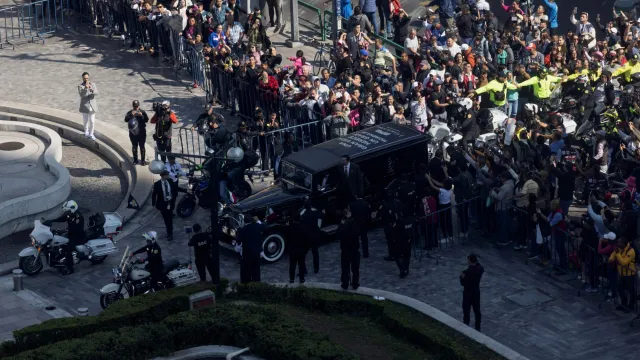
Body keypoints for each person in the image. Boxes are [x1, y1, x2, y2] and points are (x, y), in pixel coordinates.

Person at [47, 200, 84, 275]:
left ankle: (70, 268)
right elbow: (63, 218)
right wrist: (51, 221)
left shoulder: (78, 218)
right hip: (71, 234)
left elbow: (75, 230)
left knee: (68, 249)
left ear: (72, 210)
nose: (67, 213)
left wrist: (63, 231)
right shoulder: (70, 214)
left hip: (77, 236)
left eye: (68, 211)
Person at [609, 237, 636, 312]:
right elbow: (612, 256)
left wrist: (617, 254)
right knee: (620, 289)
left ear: (624, 243)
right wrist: (611, 258)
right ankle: (624, 304)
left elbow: (624, 262)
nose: (618, 244)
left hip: (630, 274)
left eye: (620, 242)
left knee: (630, 291)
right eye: (618, 242)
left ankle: (631, 306)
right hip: (621, 273)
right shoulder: (618, 249)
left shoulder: (631, 251)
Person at [236, 216, 265, 283]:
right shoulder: (258, 226)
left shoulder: (242, 230)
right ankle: (256, 284)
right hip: (256, 252)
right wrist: (257, 220)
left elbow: (238, 242)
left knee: (246, 272)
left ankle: (245, 285)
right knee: (256, 270)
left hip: (247, 254)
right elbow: (263, 226)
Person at [338, 206, 361, 290]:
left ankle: (345, 283)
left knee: (345, 268)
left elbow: (339, 233)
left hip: (345, 249)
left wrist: (342, 224)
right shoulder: (355, 223)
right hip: (354, 249)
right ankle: (355, 283)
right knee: (355, 268)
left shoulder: (343, 225)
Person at [460, 254, 484, 331]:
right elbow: (480, 267)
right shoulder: (480, 269)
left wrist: (461, 276)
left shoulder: (467, 272)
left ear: (470, 261)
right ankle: (478, 326)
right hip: (476, 292)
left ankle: (466, 324)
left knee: (466, 310)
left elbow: (463, 283)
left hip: (468, 292)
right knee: (477, 310)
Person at [299, 198, 323, 274]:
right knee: (315, 253)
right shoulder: (315, 213)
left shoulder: (303, 215)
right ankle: (316, 268)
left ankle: (303, 270)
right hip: (314, 236)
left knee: (302, 254)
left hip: (306, 237)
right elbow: (319, 220)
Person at [152, 170, 175, 241]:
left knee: (169, 219)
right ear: (163, 176)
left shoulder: (170, 181)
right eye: (167, 175)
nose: (168, 176)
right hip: (163, 204)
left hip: (170, 203)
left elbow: (175, 188)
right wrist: (153, 204)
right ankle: (169, 231)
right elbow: (154, 194)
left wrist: (185, 190)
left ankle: (170, 232)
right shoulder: (157, 184)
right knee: (166, 219)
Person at [124, 100, 149, 165]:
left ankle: (143, 161)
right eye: (135, 107)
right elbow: (126, 119)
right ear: (133, 106)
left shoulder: (142, 112)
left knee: (142, 147)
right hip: (133, 134)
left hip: (141, 133)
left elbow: (146, 120)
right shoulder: (130, 112)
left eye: (137, 107)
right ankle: (135, 160)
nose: (136, 108)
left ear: (139, 106)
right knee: (134, 147)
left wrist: (142, 116)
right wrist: (131, 115)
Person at [77, 72, 99, 140]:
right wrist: (85, 89)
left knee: (92, 121)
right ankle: (86, 132)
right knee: (85, 121)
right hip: (85, 106)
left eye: (87, 78)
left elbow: (97, 93)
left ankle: (91, 133)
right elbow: (82, 95)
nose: (86, 80)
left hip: (92, 105)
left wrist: (92, 90)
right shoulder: (80, 86)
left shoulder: (93, 84)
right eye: (84, 78)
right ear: (82, 78)